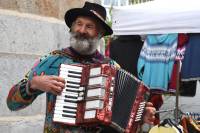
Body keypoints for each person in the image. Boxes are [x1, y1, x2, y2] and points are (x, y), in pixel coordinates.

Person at [7, 1, 156, 133]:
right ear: (72, 27)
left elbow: (126, 121)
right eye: (79, 23)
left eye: (89, 26)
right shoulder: (53, 60)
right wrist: (33, 84)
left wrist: (141, 115)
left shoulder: (111, 67)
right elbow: (12, 103)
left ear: (100, 33)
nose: (82, 30)